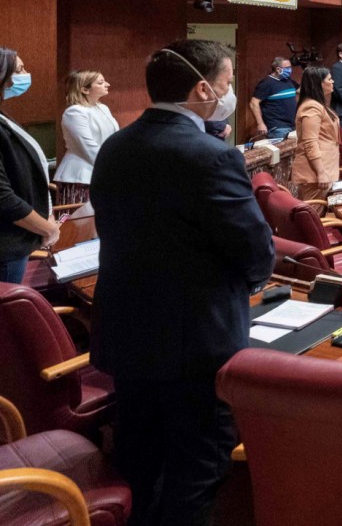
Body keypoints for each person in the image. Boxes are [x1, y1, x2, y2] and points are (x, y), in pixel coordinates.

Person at [90, 39, 274, 525]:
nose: (229, 92)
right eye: (227, 82)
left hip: (127, 338)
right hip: (197, 347)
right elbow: (256, 252)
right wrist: (252, 283)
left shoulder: (115, 147)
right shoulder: (212, 156)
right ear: (202, 89)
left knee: (138, 466)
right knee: (198, 471)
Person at [0, 49, 59, 284]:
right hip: (6, 245)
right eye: (19, 70)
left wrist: (48, 215)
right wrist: (47, 228)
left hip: (15, 241)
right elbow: (3, 197)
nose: (26, 75)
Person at [53, 70, 120, 205]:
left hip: (104, 172)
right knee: (79, 218)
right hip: (81, 177)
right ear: (84, 89)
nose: (107, 84)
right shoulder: (74, 112)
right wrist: (114, 166)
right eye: (100, 82)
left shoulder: (103, 108)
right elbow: (88, 146)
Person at [292, 66, 341, 202]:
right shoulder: (311, 106)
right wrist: (321, 172)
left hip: (326, 168)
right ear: (319, 83)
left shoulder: (319, 104)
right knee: (314, 213)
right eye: (329, 79)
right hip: (314, 173)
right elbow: (310, 142)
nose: (333, 82)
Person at [249, 56, 298, 141]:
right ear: (278, 69)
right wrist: (260, 123)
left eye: (290, 67)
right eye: (287, 68)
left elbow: (302, 90)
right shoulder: (267, 83)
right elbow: (253, 103)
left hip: (292, 125)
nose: (290, 70)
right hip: (278, 128)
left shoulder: (288, 81)